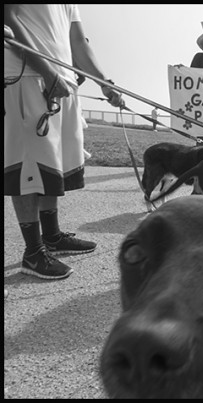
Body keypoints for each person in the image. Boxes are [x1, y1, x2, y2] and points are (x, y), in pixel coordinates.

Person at [4, 4, 125, 280]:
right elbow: (8, 19)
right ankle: (33, 253)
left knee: (51, 163)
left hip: (62, 81)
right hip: (25, 75)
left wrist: (105, 82)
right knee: (27, 166)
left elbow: (78, 42)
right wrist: (48, 71)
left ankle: (52, 236)